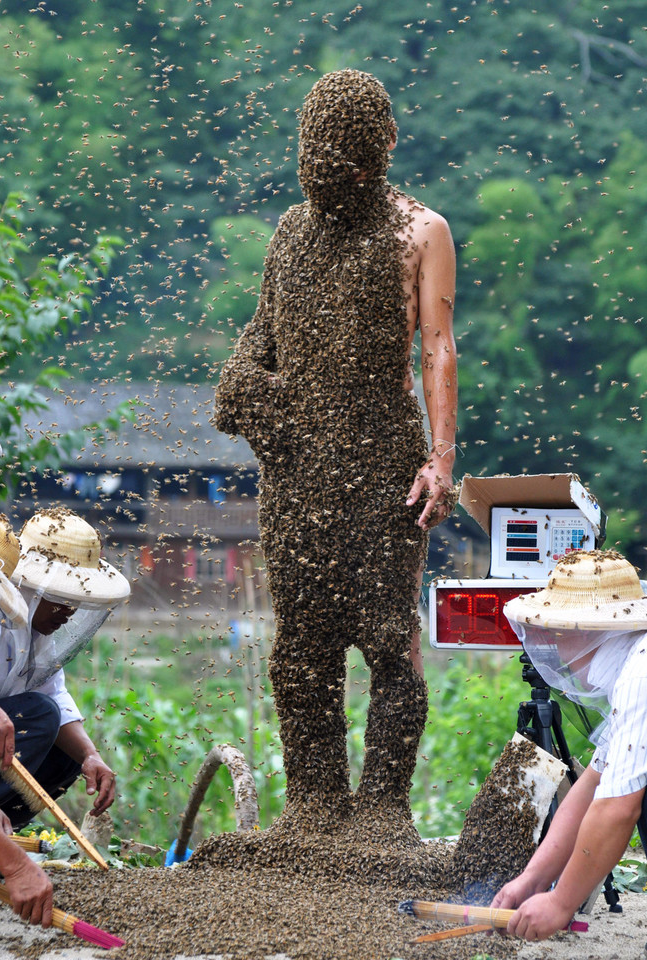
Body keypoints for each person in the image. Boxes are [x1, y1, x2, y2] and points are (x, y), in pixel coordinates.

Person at [214, 69, 458, 829]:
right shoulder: (291, 231)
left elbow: (437, 349)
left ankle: (383, 811)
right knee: (302, 645)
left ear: (380, 148)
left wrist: (440, 459)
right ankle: (316, 806)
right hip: (296, 469)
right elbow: (259, 343)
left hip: (385, 460)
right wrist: (253, 394)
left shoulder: (421, 230)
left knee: (391, 641)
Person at [492, 549, 647, 940]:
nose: (553, 645)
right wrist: (532, 879)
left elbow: (616, 808)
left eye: (555, 631)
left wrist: (561, 903)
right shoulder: (632, 661)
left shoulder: (640, 674)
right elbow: (592, 787)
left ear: (579, 629)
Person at [0, 508, 130, 830]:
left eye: (75, 601)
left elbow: (53, 693)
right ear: (32, 589)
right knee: (38, 713)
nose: (69, 612)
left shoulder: (38, 637)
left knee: (67, 751)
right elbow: (40, 708)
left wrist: (90, 755)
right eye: (60, 598)